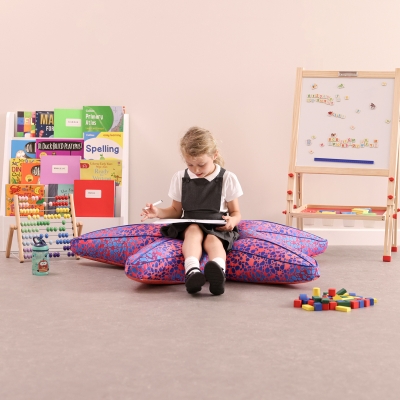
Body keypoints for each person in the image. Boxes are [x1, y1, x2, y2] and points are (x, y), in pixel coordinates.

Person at [140, 127, 243, 295]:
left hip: (217, 226)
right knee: (193, 231)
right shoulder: (180, 178)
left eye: (201, 164)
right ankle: (192, 271)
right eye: (190, 165)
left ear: (214, 155)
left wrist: (232, 221)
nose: (196, 170)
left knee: (213, 240)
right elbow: (175, 211)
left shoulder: (227, 178)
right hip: (190, 223)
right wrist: (157, 212)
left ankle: (218, 272)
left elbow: (236, 212)